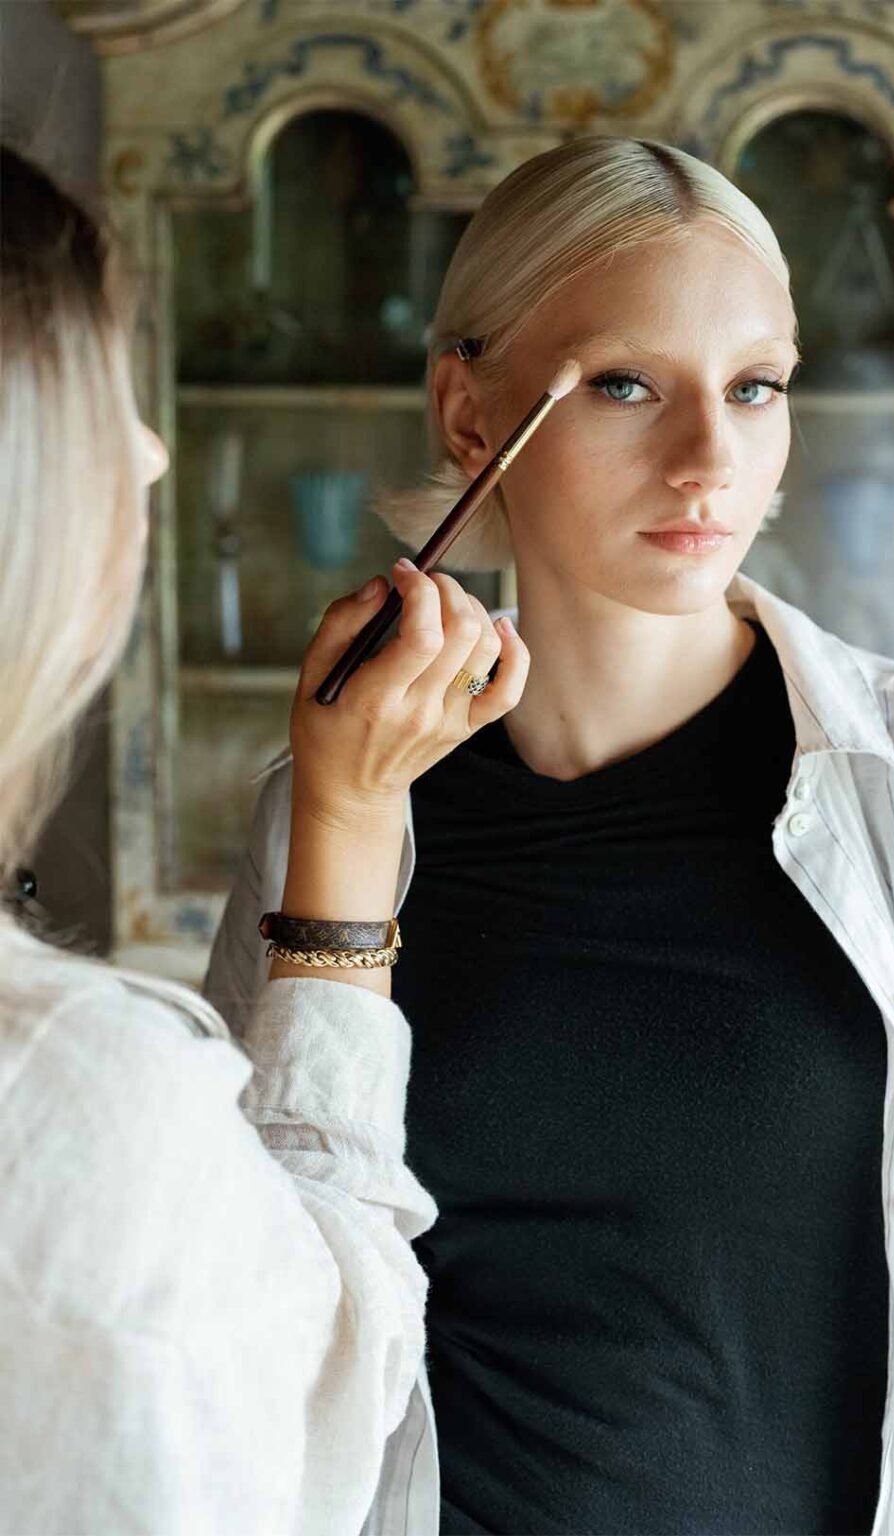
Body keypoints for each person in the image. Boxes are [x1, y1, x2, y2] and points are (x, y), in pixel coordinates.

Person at [206, 135, 894, 1535]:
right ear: (470, 419)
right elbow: (251, 1301)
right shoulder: (336, 800)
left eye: (756, 386)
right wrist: (342, 828)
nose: (711, 457)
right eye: (626, 384)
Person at [0, 144, 526, 1533]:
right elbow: (315, 1413)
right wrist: (348, 826)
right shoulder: (69, 1093)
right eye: (107, 392)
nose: (156, 445)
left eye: (760, 384)